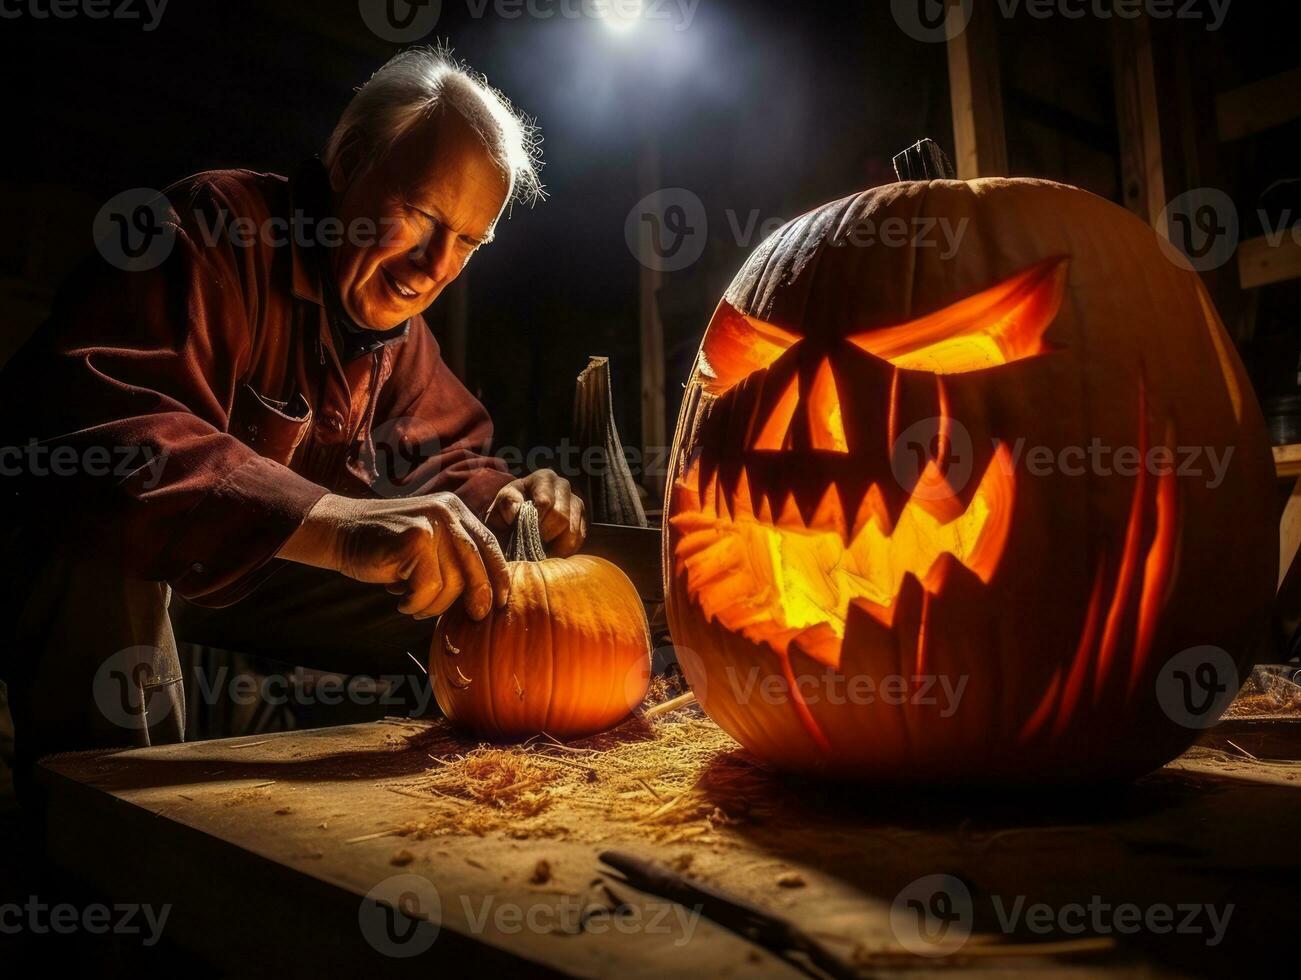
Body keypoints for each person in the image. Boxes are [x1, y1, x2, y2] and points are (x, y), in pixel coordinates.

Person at [0, 47, 585, 797]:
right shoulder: (212, 230)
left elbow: (450, 457)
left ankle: (457, 789)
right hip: (95, 549)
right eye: (421, 216)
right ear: (346, 161)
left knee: (465, 578)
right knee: (92, 543)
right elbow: (108, 437)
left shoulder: (398, 336)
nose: (434, 266)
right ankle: (111, 853)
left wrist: (503, 505)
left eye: (467, 243)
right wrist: (336, 523)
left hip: (234, 575)